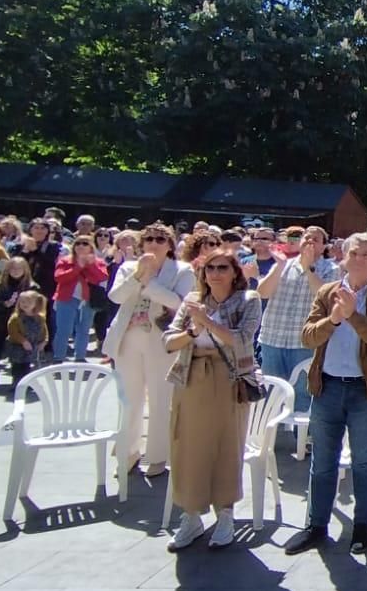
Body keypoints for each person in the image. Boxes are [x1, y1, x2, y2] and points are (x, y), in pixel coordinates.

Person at [285, 233, 367, 557]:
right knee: (323, 461)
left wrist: (352, 315)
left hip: (365, 390)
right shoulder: (327, 292)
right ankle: (316, 525)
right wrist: (334, 318)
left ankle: (363, 523)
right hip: (328, 387)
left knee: (364, 461)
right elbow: (308, 337)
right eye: (354, 252)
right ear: (344, 256)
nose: (359, 258)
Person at [161, 251, 262, 550]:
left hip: (228, 380)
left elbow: (243, 339)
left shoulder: (248, 299)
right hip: (191, 377)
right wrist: (194, 329)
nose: (215, 273)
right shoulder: (192, 299)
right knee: (188, 447)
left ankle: (226, 515)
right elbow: (169, 340)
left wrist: (207, 321)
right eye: (209, 268)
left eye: (222, 268)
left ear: (234, 272)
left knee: (226, 446)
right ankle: (191, 516)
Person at [106, 223, 194, 478]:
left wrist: (150, 283)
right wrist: (138, 276)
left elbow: (179, 303)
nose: (154, 243)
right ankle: (128, 453)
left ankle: (157, 456)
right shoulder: (128, 268)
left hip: (160, 341)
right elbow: (116, 297)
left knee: (160, 399)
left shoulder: (182, 270)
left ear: (169, 245)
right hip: (128, 339)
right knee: (129, 400)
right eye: (149, 239)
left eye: (160, 239)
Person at [255, 226, 338, 414]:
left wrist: (308, 268)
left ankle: (298, 440)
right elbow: (263, 292)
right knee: (271, 392)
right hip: (272, 339)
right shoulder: (283, 264)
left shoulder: (331, 269)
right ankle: (270, 438)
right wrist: (279, 267)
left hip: (304, 344)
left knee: (302, 394)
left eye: (315, 239)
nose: (309, 241)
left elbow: (324, 296)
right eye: (306, 238)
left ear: (324, 246)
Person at [51, 237, 106, 362]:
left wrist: (90, 265)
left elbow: (102, 277)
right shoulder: (65, 261)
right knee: (64, 329)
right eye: (78, 244)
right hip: (66, 299)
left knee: (84, 329)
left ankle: (80, 357)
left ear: (91, 247)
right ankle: (58, 357)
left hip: (88, 300)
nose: (81, 246)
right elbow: (59, 277)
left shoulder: (97, 262)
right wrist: (78, 266)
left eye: (85, 243)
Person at [0, 257, 37, 385]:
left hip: (23, 323)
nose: (16, 271)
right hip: (3, 320)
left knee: (20, 348)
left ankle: (19, 378)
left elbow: (38, 306)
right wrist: (5, 304)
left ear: (25, 270)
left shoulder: (31, 287)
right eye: (13, 268)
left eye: (19, 268)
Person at [6, 291, 50, 382]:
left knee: (29, 366)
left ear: (36, 303)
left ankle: (29, 384)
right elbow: (12, 332)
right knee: (17, 367)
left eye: (29, 302)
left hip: (33, 346)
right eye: (22, 302)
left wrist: (44, 341)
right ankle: (17, 383)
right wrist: (23, 341)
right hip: (18, 347)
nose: (25, 304)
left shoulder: (40, 317)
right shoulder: (16, 318)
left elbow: (45, 331)